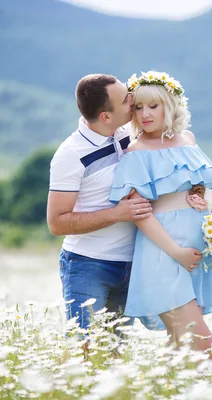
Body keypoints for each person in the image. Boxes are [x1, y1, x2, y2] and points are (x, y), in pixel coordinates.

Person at [47, 73, 181, 332]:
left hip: (132, 264)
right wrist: (116, 214)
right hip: (88, 265)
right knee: (85, 350)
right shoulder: (70, 155)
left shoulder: (129, 134)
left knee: (117, 354)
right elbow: (56, 223)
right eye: (125, 100)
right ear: (106, 116)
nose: (133, 100)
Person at [109, 70, 212, 357]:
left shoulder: (187, 139)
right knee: (202, 346)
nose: (144, 114)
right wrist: (176, 251)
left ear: (169, 106)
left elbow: (196, 184)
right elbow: (141, 214)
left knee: (180, 347)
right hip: (164, 254)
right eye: (138, 107)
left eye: (153, 106)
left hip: (194, 253)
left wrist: (197, 196)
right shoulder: (136, 152)